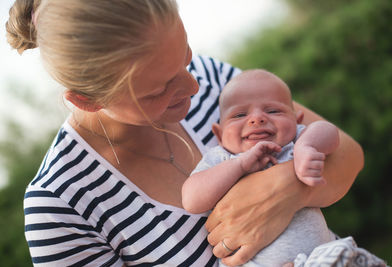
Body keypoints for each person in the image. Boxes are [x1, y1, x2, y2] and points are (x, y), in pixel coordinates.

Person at [6, 0, 364, 266]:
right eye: (158, 90)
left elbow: (347, 155)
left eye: (185, 56)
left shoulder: (213, 80)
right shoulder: (61, 206)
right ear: (86, 100)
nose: (193, 85)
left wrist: (286, 189)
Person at [182, 69, 340, 266]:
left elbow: (329, 132)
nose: (256, 119)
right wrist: (239, 165)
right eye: (239, 114)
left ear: (296, 120)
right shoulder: (223, 158)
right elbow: (191, 199)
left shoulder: (295, 144)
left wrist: (307, 146)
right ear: (219, 133)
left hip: (324, 259)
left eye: (273, 111)